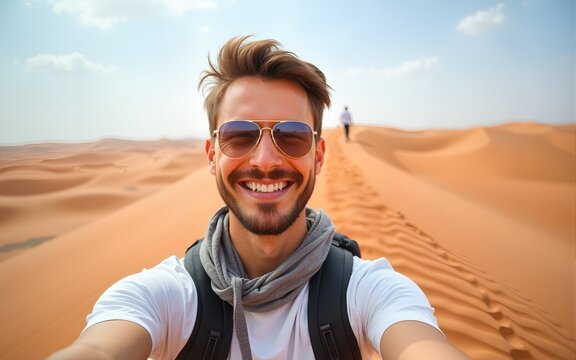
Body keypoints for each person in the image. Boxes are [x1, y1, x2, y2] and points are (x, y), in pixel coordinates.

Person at [48, 36, 468, 360]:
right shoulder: (163, 297)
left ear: (318, 155)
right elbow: (100, 348)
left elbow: (419, 345)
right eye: (240, 135)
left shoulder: (371, 291)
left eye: (292, 136)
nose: (265, 160)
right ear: (212, 154)